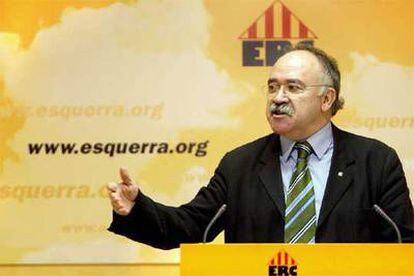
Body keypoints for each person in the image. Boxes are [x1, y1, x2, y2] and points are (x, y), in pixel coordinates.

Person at [107, 44, 414, 247]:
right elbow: (189, 227)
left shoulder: (375, 161)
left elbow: (404, 245)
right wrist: (137, 209)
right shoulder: (239, 164)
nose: (278, 98)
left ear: (327, 99)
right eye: (272, 87)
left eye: (293, 87)